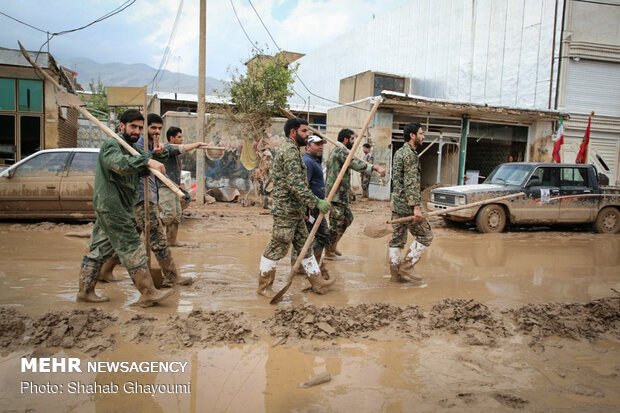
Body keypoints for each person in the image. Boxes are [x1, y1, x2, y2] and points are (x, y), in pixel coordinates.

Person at [76, 109, 173, 306]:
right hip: (112, 207)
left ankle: (85, 292)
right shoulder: (113, 145)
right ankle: (148, 292)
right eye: (133, 127)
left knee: (98, 249)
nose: (137, 131)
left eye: (139, 127)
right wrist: (145, 160)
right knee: (132, 245)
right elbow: (119, 164)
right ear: (122, 126)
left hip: (115, 207)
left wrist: (156, 156)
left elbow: (142, 166)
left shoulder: (131, 148)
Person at [257, 118, 334, 297]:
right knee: (277, 247)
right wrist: (316, 202)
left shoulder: (293, 151)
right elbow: (296, 185)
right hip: (285, 211)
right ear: (293, 133)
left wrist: (304, 211)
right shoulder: (289, 152)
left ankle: (317, 281)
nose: (307, 135)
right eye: (304, 131)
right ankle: (264, 287)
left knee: (305, 246)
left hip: (295, 211)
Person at [134, 114, 193, 287]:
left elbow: (159, 162)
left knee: (128, 236)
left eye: (159, 128)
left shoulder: (155, 146)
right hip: (140, 196)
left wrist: (157, 155)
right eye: (153, 128)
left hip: (149, 194)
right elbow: (136, 165)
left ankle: (106, 269)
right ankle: (170, 276)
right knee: (157, 238)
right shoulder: (137, 145)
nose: (156, 131)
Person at [324, 128, 386, 259]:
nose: (353, 142)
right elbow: (356, 164)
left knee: (348, 219)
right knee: (336, 225)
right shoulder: (340, 151)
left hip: (342, 194)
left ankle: (332, 246)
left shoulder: (341, 150)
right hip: (336, 196)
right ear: (345, 139)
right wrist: (375, 167)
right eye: (352, 139)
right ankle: (328, 251)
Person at [389, 122, 433, 283]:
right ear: (412, 135)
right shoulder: (410, 155)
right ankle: (407, 266)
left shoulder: (400, 152)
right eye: (421, 133)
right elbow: (411, 182)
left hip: (397, 203)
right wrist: (416, 207)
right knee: (426, 235)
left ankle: (395, 275)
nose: (423, 136)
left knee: (397, 238)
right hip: (407, 205)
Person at [159, 126, 209, 246]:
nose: (182, 139)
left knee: (176, 216)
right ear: (172, 138)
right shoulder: (167, 148)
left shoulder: (174, 153)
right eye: (179, 137)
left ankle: (171, 242)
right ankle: (151, 230)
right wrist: (196, 144)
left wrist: (179, 187)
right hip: (165, 187)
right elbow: (181, 149)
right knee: (168, 215)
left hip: (174, 187)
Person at [290, 135, 330, 273]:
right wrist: (306, 210)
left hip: (316, 207)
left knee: (315, 235)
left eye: (321, 145)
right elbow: (303, 187)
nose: (320, 147)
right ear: (308, 147)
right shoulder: (307, 162)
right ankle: (301, 265)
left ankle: (308, 263)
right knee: (308, 236)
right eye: (317, 144)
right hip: (311, 207)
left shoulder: (315, 161)